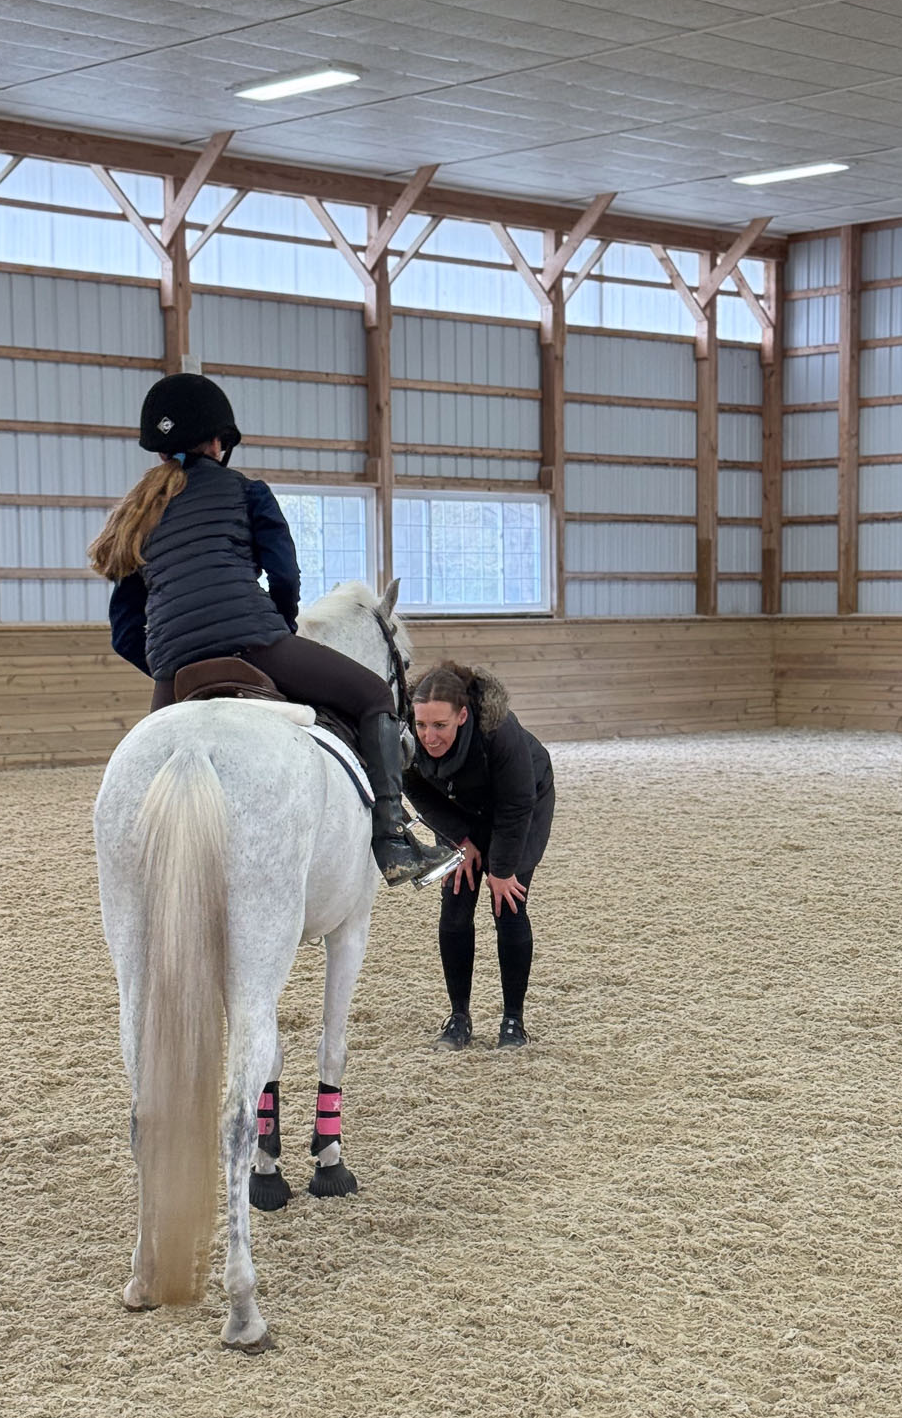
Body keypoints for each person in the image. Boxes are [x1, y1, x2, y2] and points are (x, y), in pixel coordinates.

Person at [89, 372, 459, 889]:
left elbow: (124, 630)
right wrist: (279, 632)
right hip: (256, 643)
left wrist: (170, 664)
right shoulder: (246, 491)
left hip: (174, 673)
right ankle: (394, 841)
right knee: (375, 695)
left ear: (159, 449)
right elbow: (284, 575)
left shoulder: (138, 514)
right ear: (219, 441)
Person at [404, 661, 554, 1049]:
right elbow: (413, 787)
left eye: (440, 725)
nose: (429, 737)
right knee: (455, 901)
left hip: (521, 803)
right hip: (459, 811)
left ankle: (513, 1021)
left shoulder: (499, 732)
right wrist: (460, 839)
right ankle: (458, 1017)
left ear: (463, 715)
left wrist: (501, 870)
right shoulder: (404, 735)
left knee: (508, 904)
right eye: (422, 725)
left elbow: (517, 804)